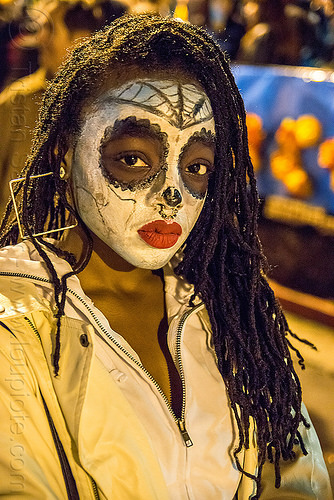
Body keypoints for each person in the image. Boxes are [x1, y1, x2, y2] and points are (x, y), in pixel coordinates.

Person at [0, 14, 332, 499]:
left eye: (196, 167)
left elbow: (299, 479)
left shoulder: (230, 310)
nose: (172, 196)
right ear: (63, 154)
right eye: (134, 158)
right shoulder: (16, 322)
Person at [0, 0, 127, 218]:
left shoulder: (115, 109)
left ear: (80, 40)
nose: (40, 39)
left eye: (50, 29)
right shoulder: (17, 101)